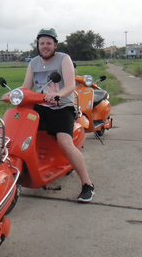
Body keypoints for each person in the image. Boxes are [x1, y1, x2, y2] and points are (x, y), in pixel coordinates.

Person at [21, 27, 95, 202]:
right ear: (38, 45)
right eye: (42, 43)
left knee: (64, 142)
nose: (45, 46)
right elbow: (26, 87)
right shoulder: (33, 63)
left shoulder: (64, 59)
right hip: (41, 106)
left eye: (49, 43)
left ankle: (87, 184)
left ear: (55, 45)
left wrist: (58, 95)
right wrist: (14, 94)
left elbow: (70, 85)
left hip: (62, 106)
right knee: (19, 134)